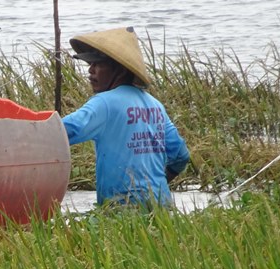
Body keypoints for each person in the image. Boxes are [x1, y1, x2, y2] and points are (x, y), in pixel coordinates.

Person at [62, 26, 190, 207]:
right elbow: (181, 155)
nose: (91, 71)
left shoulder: (104, 103)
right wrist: (154, 186)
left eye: (97, 64)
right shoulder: (155, 105)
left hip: (123, 207)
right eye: (90, 64)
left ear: (120, 70)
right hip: (161, 203)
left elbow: (64, 131)